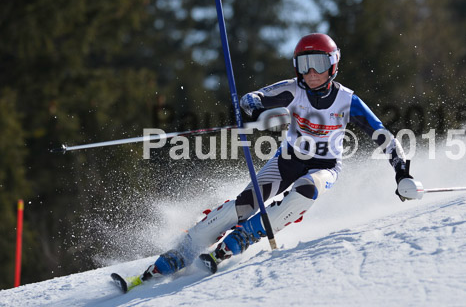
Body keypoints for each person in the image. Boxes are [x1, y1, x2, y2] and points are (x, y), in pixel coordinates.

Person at [139, 33, 415, 281]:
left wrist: (402, 173)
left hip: (326, 166)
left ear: (333, 64)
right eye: (304, 63)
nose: (311, 72)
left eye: (318, 63)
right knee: (245, 204)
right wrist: (250, 104)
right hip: (287, 160)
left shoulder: (347, 101)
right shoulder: (293, 89)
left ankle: (247, 234)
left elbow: (385, 137)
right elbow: (258, 97)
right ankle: (185, 249)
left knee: (306, 191)